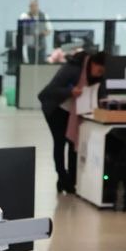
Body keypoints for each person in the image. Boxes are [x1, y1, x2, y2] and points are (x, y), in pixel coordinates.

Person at [37, 49, 106, 193]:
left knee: (74, 142)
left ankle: (71, 180)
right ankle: (62, 177)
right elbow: (51, 90)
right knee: (60, 141)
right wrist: (70, 92)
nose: (99, 75)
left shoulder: (98, 76)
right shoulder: (73, 68)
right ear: (92, 63)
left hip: (75, 112)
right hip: (57, 108)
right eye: (99, 71)